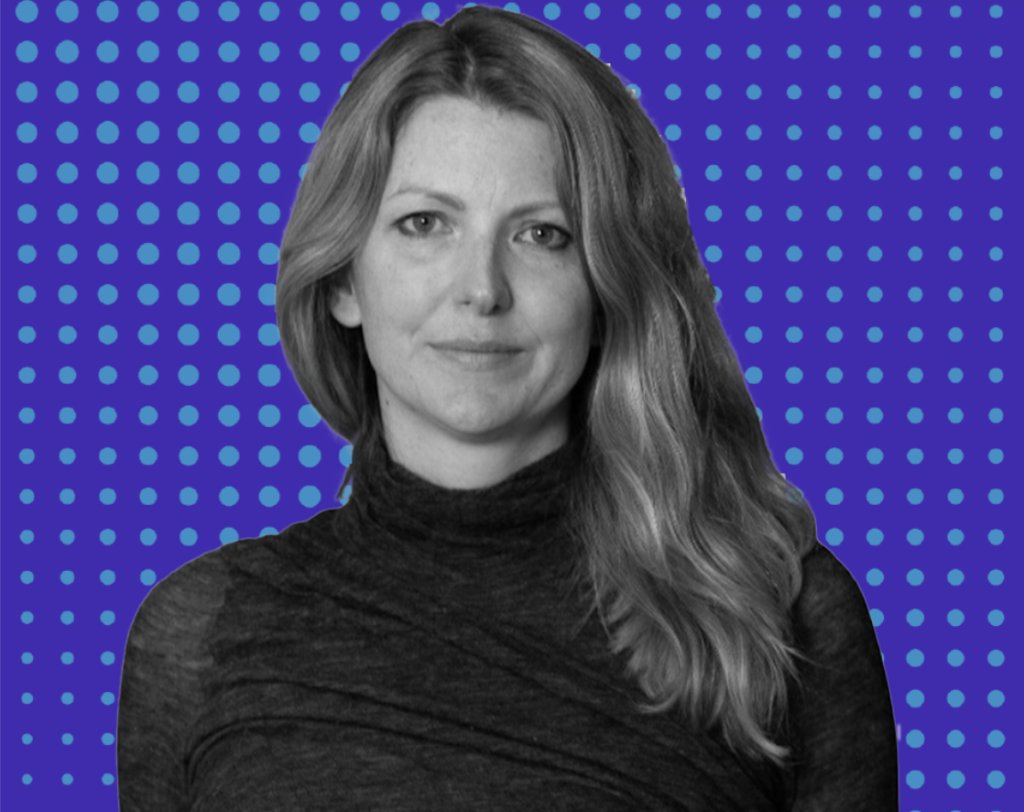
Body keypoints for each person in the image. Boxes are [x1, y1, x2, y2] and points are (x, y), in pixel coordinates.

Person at [116, 6, 899, 810]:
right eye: (425, 224)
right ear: (344, 279)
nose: (481, 290)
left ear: (608, 288)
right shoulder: (197, 633)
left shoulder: (778, 613)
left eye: (543, 235)